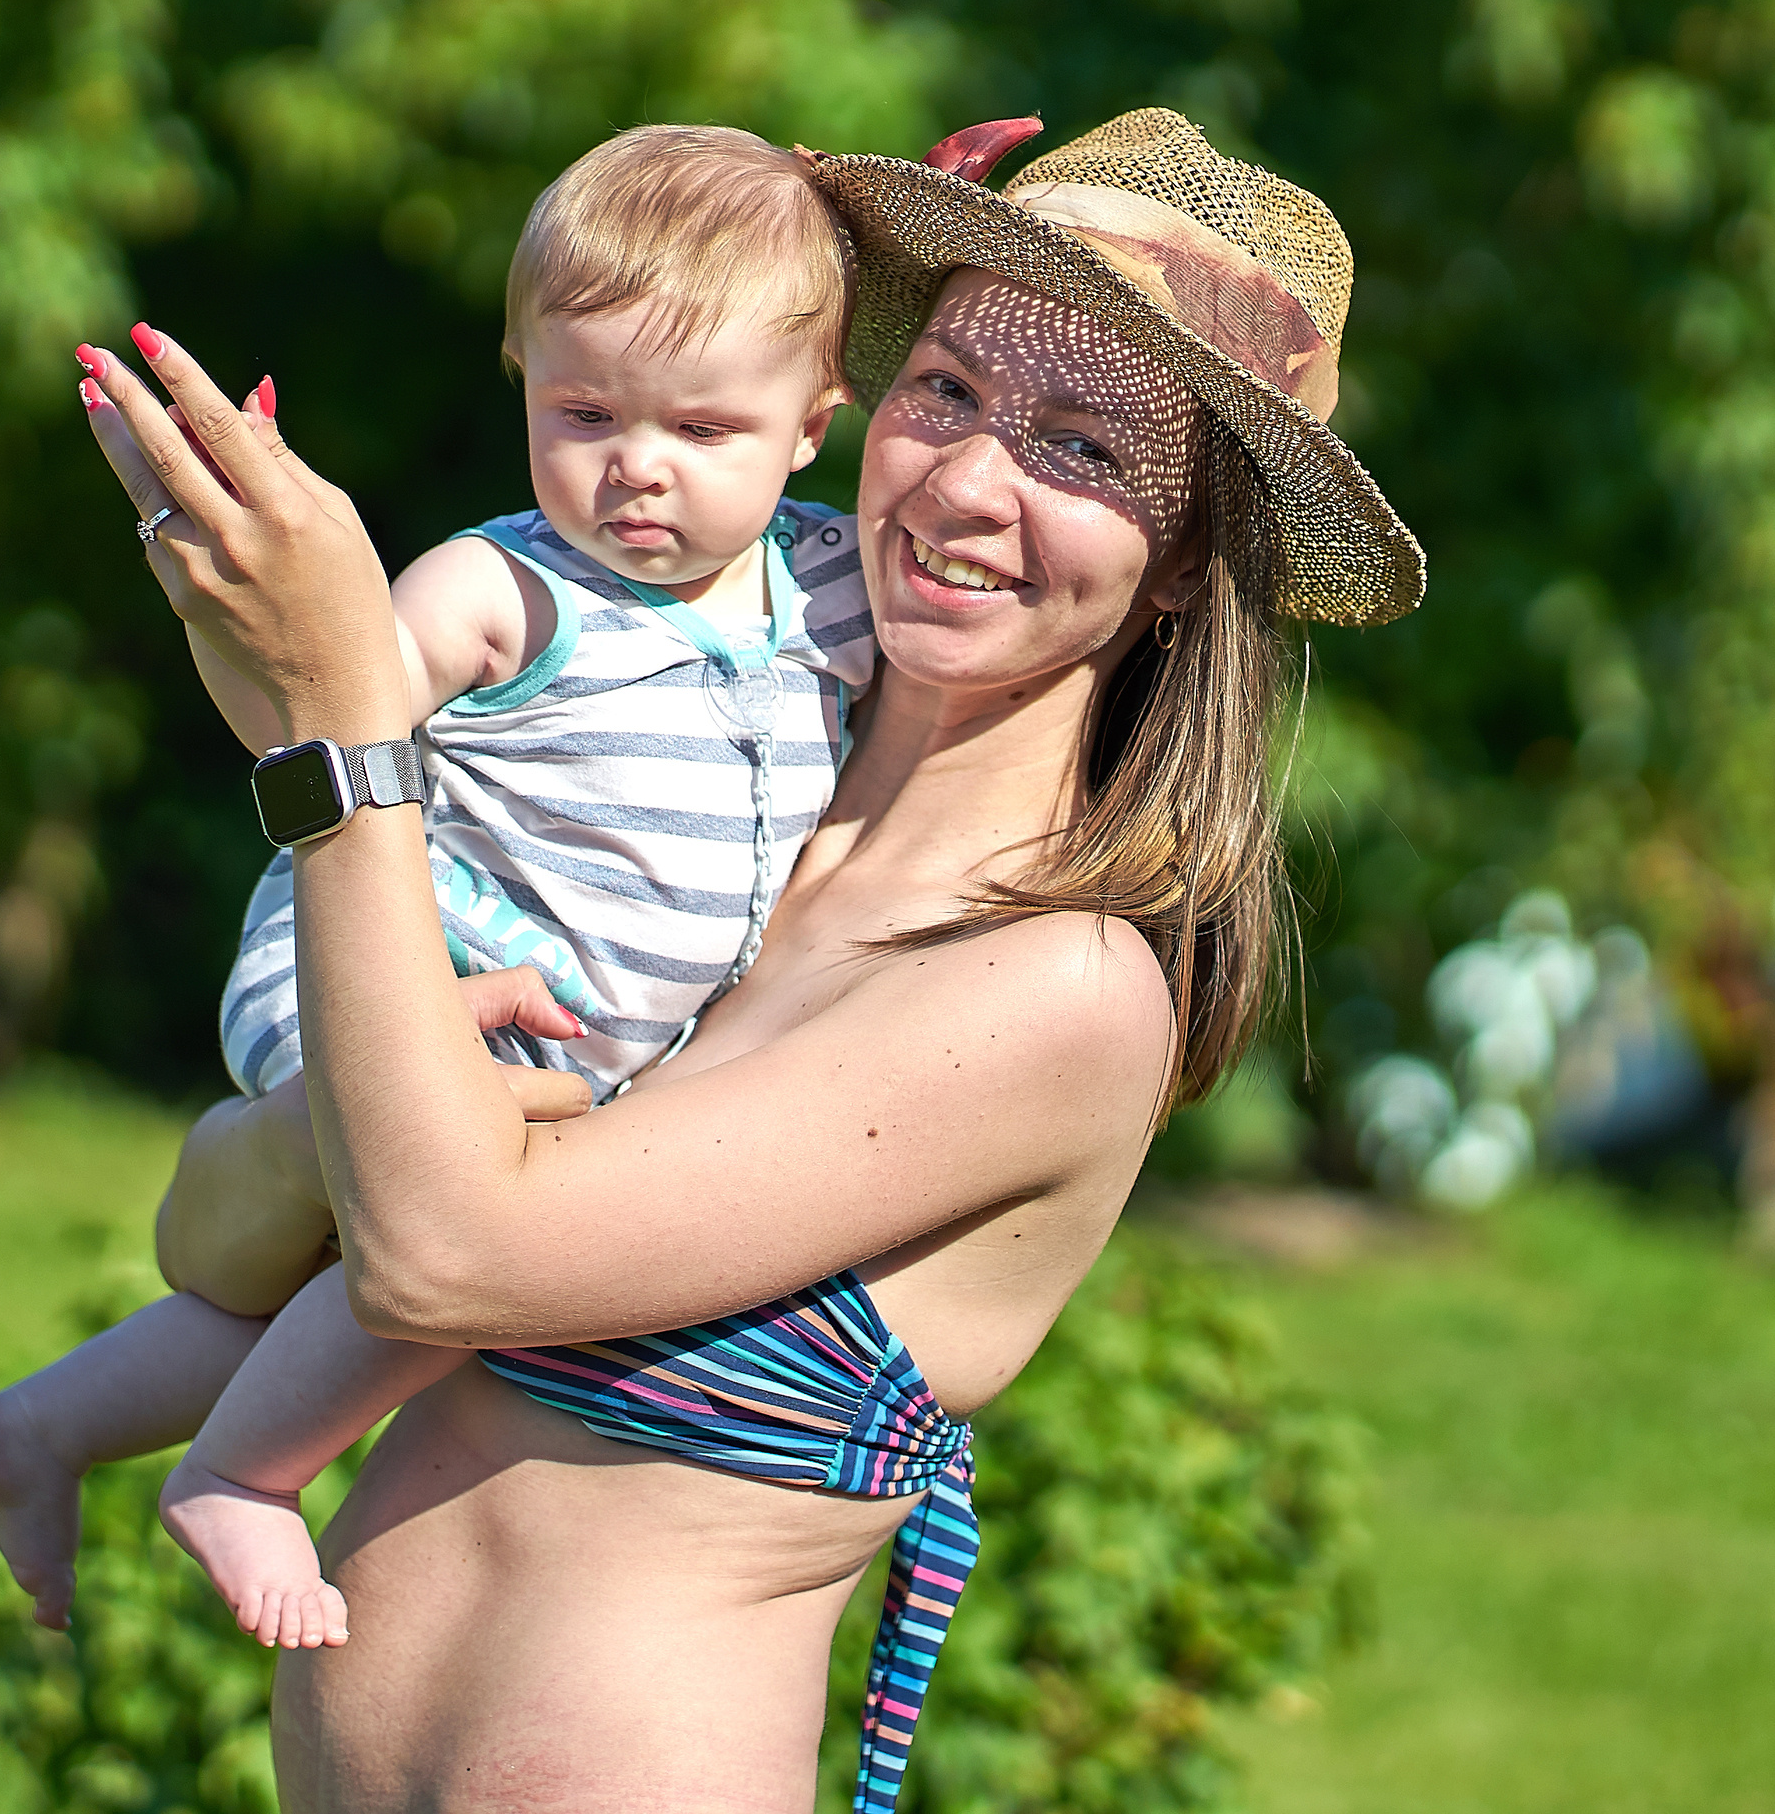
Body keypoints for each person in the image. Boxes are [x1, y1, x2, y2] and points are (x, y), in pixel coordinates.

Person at [76, 109, 1424, 1814]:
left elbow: (431, 1259)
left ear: (1180, 566)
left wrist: (340, 747)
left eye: (1083, 450)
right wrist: (306, 1119)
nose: (967, 481)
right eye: (944, 390)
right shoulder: (696, 850)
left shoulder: (1057, 985)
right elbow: (216, 1232)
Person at [0, 124, 873, 1647]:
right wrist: (204, 567)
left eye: (703, 428)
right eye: (583, 411)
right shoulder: (500, 588)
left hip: (554, 1042)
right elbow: (313, 719)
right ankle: (241, 1481)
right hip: (411, 970)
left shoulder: (832, 583)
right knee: (467, 1255)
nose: (635, 466)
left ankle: (43, 1427)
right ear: (519, 373)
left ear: (807, 427)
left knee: (349, 1282)